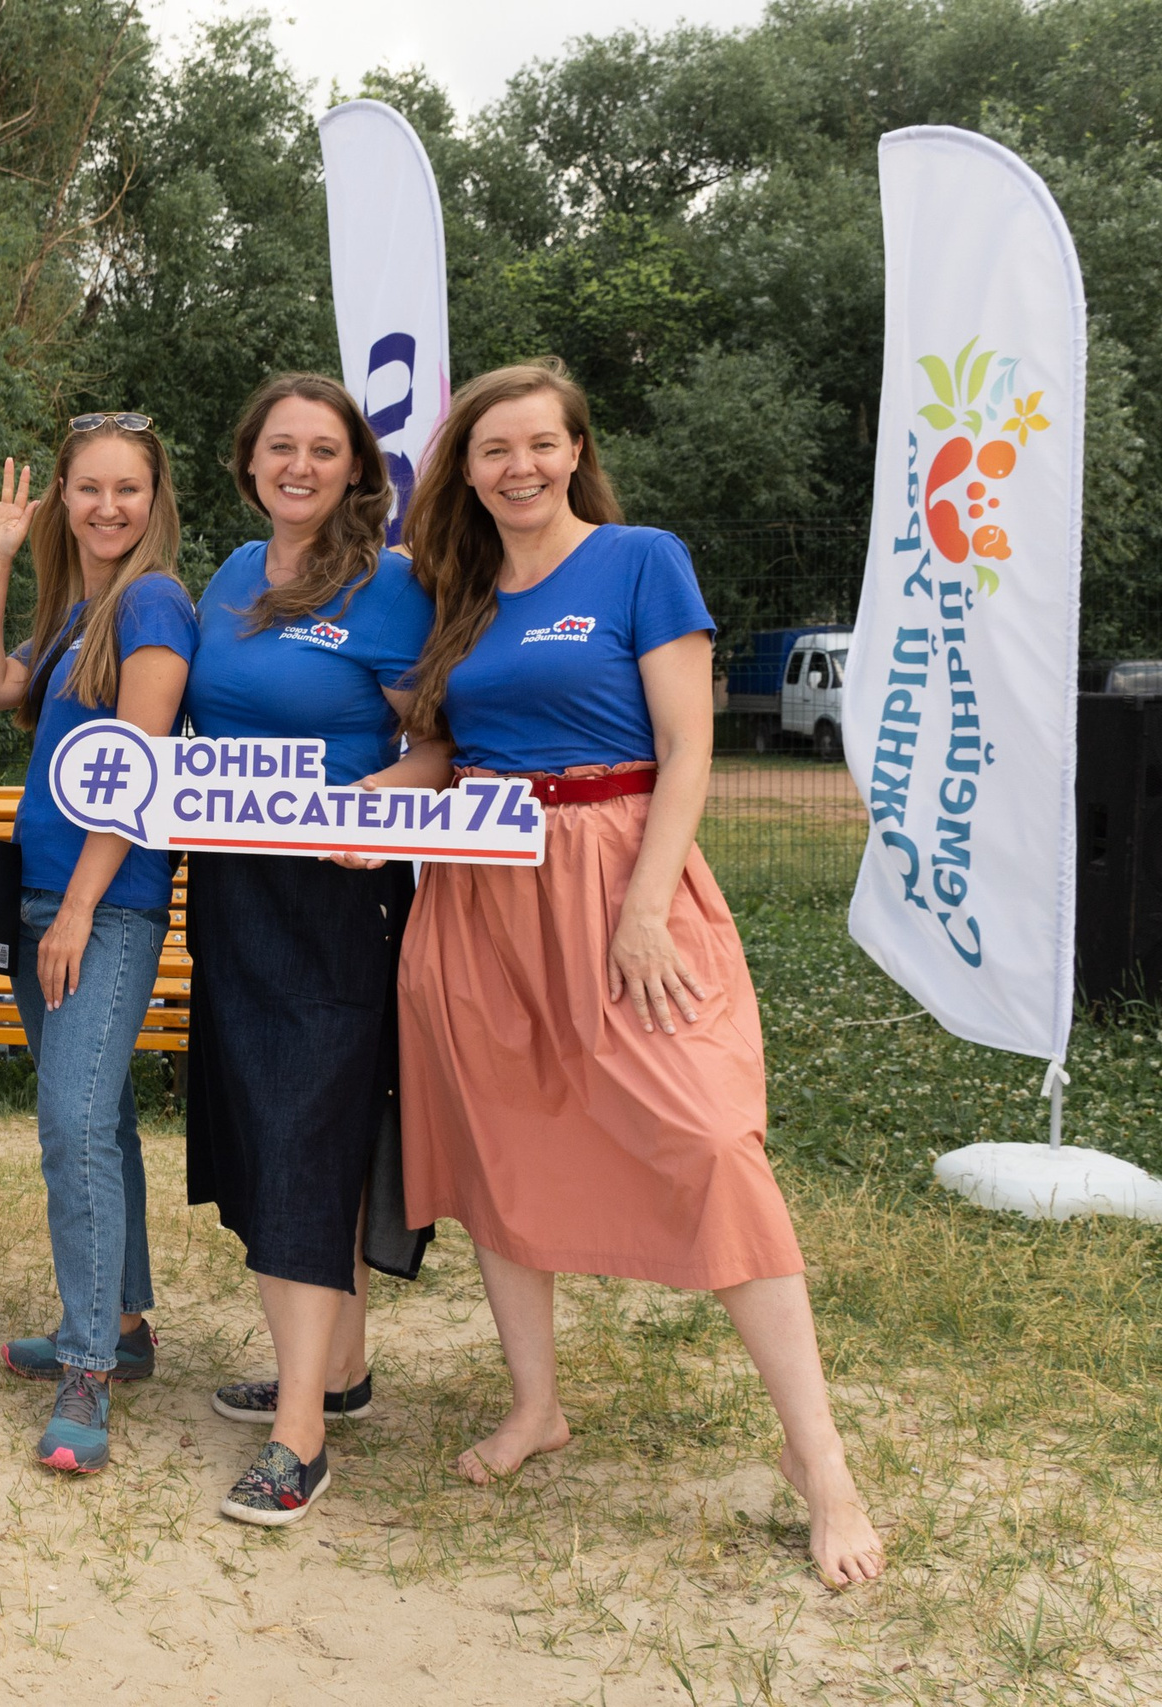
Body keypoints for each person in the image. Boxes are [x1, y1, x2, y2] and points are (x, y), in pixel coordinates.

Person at [392, 360, 885, 1587]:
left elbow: (687, 741)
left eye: (538, 445)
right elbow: (439, 758)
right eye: (491, 449)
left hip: (620, 878)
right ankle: (534, 1407)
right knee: (499, 1144)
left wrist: (646, 907)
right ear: (467, 468)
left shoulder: (639, 559)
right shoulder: (452, 587)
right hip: (479, 894)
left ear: (574, 451)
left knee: (712, 1140)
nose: (516, 467)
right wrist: (330, 813)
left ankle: (818, 1461)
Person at [176, 376, 448, 1525]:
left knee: (303, 1127)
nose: (297, 466)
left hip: (336, 897)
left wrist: (371, 809)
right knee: (270, 1124)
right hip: (232, 890)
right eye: (277, 447)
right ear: (248, 463)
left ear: (353, 470)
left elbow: (436, 744)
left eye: (321, 450)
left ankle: (296, 1440)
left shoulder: (391, 590)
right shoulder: (232, 576)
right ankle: (336, 1374)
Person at [0, 413, 196, 1474]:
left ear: (157, 502)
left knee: (70, 1129)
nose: (108, 507)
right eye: (88, 488)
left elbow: (140, 770)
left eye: (128, 489)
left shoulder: (153, 601)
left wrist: (74, 911)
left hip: (102, 906)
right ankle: (124, 1328)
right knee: (98, 1120)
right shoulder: (77, 609)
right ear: (63, 496)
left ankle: (89, 1371)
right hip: (46, 897)